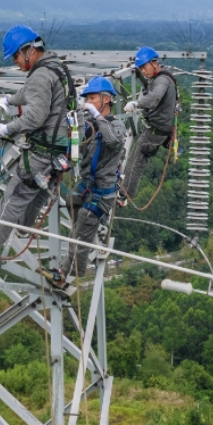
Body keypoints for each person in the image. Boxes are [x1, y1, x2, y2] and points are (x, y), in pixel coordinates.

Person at [0, 25, 74, 264]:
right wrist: (9, 100)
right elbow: (31, 93)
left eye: (15, 56)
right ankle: (24, 227)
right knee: (36, 193)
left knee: (14, 197)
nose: (15, 62)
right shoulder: (56, 67)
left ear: (28, 50)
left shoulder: (40, 75)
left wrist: (7, 128)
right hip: (59, 151)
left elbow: (35, 117)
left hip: (42, 151)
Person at [65, 76, 126, 282]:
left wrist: (97, 116)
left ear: (106, 99)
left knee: (81, 230)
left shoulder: (116, 126)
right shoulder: (90, 125)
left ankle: (69, 273)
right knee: (72, 203)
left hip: (102, 191)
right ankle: (87, 232)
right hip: (86, 185)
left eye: (92, 98)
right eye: (87, 99)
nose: (88, 102)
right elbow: (77, 147)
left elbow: (113, 140)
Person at [120, 46, 177, 204]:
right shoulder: (161, 76)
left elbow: (155, 97)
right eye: (140, 69)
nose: (143, 71)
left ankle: (125, 195)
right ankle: (125, 191)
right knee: (133, 159)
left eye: (144, 67)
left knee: (136, 162)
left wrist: (136, 104)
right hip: (157, 129)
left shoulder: (162, 81)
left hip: (156, 131)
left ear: (154, 63)